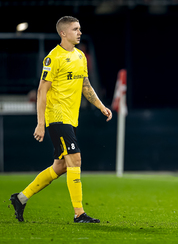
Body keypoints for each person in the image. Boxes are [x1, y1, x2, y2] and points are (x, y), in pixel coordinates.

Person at [10, 16, 112, 223]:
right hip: (57, 117)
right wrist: (40, 123)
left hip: (71, 118)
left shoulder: (81, 56)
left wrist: (101, 106)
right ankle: (79, 213)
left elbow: (86, 86)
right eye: (75, 29)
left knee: (61, 166)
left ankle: (21, 198)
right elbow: (42, 91)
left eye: (80, 29)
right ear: (63, 33)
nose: (79, 32)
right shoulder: (53, 58)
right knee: (75, 159)